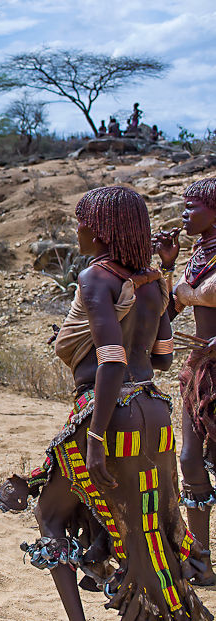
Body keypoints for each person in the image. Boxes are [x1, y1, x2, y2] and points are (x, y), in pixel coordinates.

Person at [0, 186, 211, 621]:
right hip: (153, 412)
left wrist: (95, 438)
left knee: (49, 515)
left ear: (100, 230)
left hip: (109, 412)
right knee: (148, 529)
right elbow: (163, 358)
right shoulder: (152, 285)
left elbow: (110, 362)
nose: (77, 231)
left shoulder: (97, 278)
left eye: (82, 222)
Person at [154, 178, 216, 586]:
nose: (184, 215)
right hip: (200, 372)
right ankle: (201, 560)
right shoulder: (194, 258)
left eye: (192, 207)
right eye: (183, 207)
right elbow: (166, 315)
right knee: (190, 460)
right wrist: (168, 265)